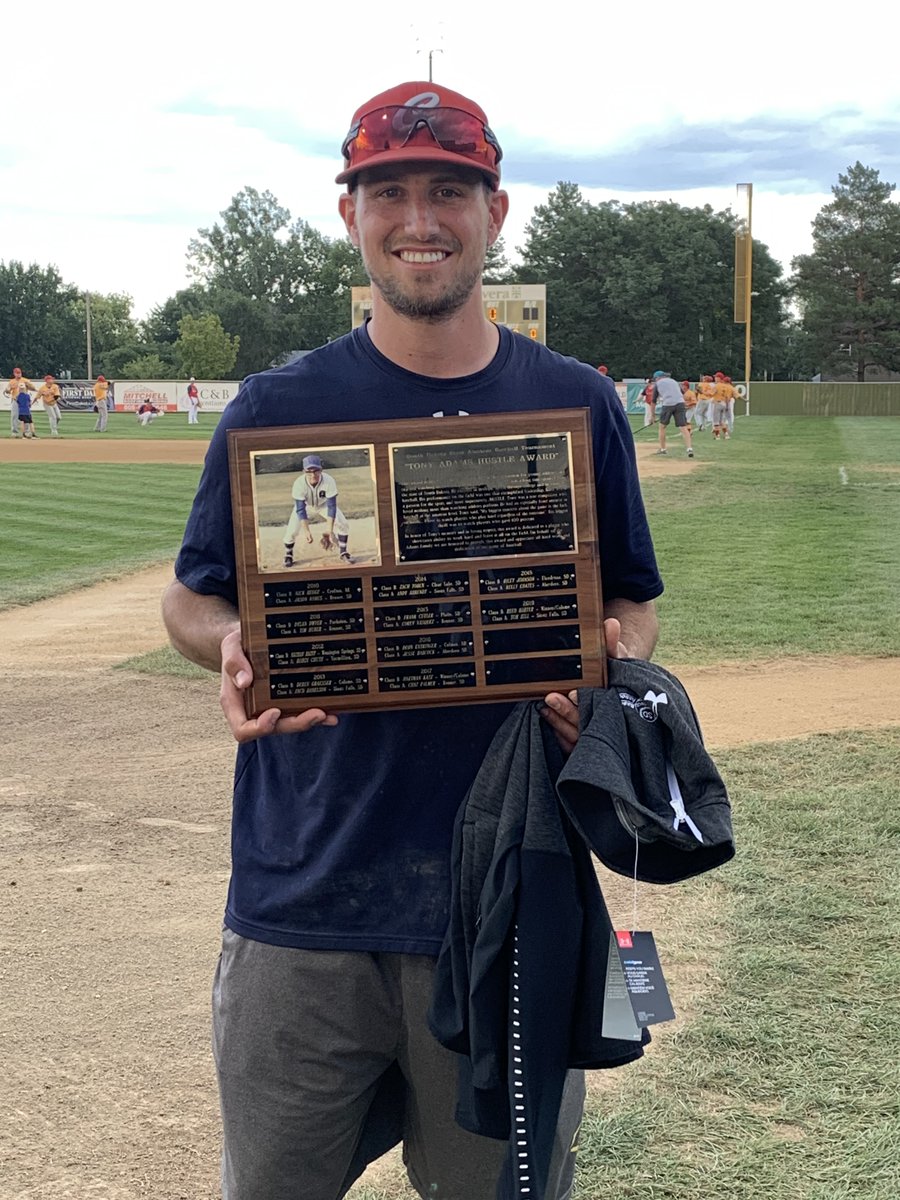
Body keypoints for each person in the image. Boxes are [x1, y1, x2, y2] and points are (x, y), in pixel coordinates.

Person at [162, 79, 663, 1200]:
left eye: (450, 190)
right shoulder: (276, 409)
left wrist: (613, 663)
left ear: (496, 211)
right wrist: (237, 644)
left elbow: (630, 598)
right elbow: (192, 598)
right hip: (304, 900)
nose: (420, 218)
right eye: (389, 191)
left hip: (506, 895)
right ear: (352, 214)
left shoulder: (576, 403)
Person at [282, 453, 353, 566]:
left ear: (321, 470)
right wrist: (306, 531)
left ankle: (343, 552)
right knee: (292, 531)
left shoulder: (329, 480)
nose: (313, 474)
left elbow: (332, 506)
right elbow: (300, 509)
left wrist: (329, 531)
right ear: (304, 471)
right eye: (309, 471)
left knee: (343, 523)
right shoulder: (299, 483)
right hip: (306, 506)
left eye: (316, 470)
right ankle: (288, 555)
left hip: (324, 505)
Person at [652, 369, 694, 457]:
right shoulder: (674, 381)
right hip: (680, 403)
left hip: (668, 404)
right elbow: (682, 392)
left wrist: (652, 416)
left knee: (662, 427)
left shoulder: (657, 384)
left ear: (657, 378)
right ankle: (689, 448)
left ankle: (663, 449)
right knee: (683, 427)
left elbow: (653, 401)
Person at [4, 367, 35, 437]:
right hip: (16, 400)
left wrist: (29, 384)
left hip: (24, 401)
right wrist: (7, 390)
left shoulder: (25, 380)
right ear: (14, 373)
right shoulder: (12, 381)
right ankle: (14, 432)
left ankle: (27, 432)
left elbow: (33, 388)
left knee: (26, 416)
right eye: (17, 373)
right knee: (14, 416)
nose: (18, 374)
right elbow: (7, 390)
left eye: (19, 373)